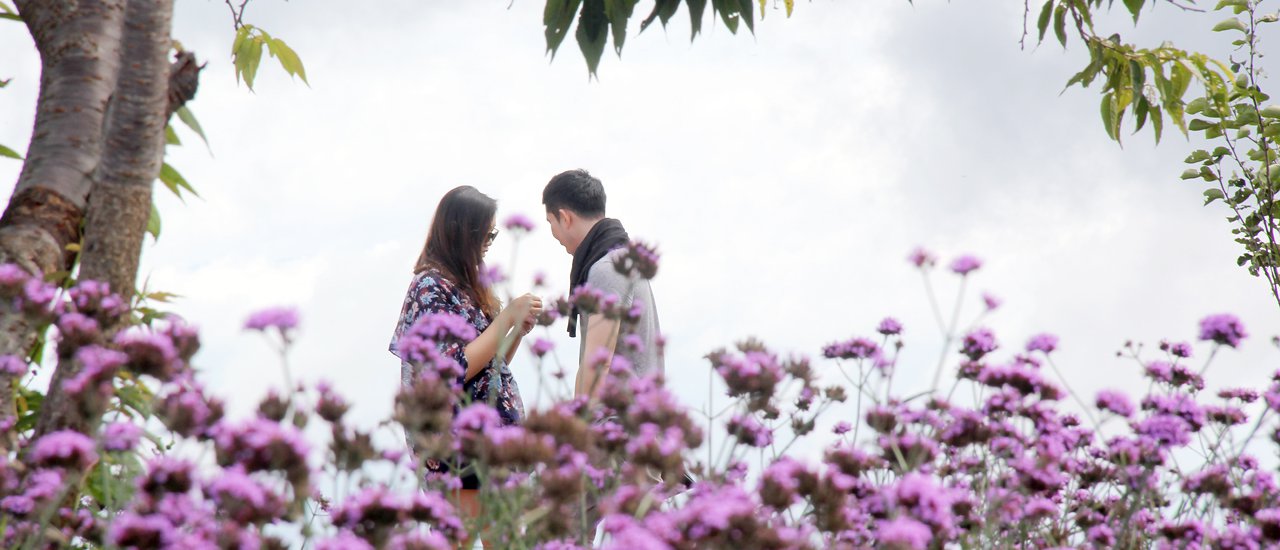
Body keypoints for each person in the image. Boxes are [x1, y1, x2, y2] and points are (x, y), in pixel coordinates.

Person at [389, 185, 541, 546]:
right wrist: (505, 320)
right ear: (462, 232)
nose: (490, 241)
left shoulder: (473, 287)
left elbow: (491, 369)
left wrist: (514, 331)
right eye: (485, 233)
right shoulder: (430, 286)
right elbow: (448, 370)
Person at [542, 169, 663, 399]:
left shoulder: (606, 269)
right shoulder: (620, 259)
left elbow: (598, 365)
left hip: (618, 424)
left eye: (551, 222)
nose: (553, 234)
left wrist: (578, 428)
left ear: (565, 217)